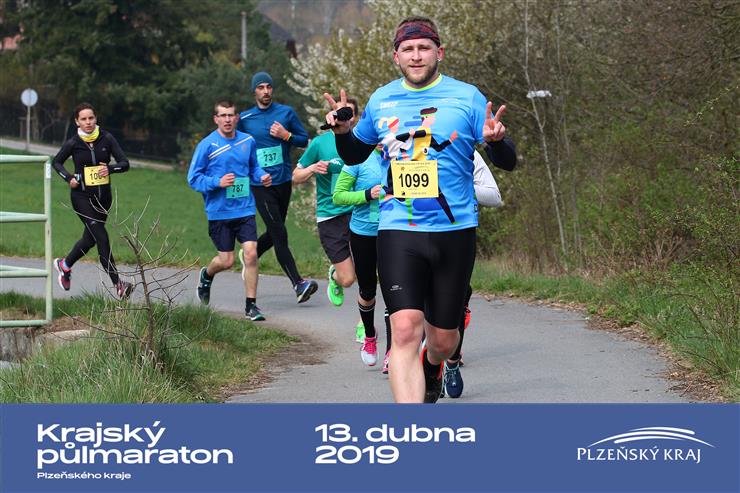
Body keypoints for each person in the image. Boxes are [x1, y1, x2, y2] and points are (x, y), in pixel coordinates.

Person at [324, 16, 516, 403]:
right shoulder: (381, 100)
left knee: (443, 340)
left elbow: (508, 162)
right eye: (408, 49)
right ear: (396, 56)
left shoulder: (466, 97)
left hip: (455, 232)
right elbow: (355, 154)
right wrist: (342, 133)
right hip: (399, 230)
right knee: (405, 329)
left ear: (439, 53)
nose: (416, 56)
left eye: (424, 48)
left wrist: (496, 143)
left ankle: (433, 365)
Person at [237, 72, 318, 304]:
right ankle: (298, 283)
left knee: (275, 231)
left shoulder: (286, 113)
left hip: (283, 182)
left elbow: (304, 140)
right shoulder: (245, 119)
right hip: (260, 184)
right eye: (260, 87)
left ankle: (250, 254)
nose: (265, 91)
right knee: (280, 233)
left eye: (268, 87)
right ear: (254, 91)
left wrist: (286, 135)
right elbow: (236, 146)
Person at [188, 99, 272, 321]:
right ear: (216, 119)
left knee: (251, 253)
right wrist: (217, 182)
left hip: (245, 209)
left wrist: (262, 176)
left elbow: (254, 168)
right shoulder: (207, 145)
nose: (227, 119)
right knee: (226, 261)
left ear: (237, 118)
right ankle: (207, 275)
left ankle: (251, 305)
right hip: (219, 212)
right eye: (223, 115)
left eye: (231, 115)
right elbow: (193, 179)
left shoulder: (247, 141)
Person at [52, 102, 134, 299]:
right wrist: (69, 178)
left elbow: (125, 164)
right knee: (101, 237)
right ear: (77, 122)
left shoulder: (107, 138)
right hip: (81, 197)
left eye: (91, 118)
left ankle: (65, 265)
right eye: (83, 119)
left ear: (96, 118)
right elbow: (56, 162)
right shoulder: (73, 143)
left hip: (103, 199)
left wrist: (110, 169)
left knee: (89, 239)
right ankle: (119, 284)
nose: (88, 122)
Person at [441, 150, 504, 399]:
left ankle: (452, 363)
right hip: (415, 236)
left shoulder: (466, 151)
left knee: (454, 305)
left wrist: (459, 186)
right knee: (420, 305)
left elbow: (494, 196)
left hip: (458, 236)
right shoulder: (407, 148)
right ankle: (430, 367)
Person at [293, 97, 359, 311]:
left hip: (359, 212)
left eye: (348, 113)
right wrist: (312, 168)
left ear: (355, 117)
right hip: (331, 216)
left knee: (368, 272)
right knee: (347, 279)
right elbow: (295, 176)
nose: (343, 117)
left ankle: (365, 324)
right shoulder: (319, 143)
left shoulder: (363, 142)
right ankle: (335, 275)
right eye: (338, 113)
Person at [332, 144, 384, 366]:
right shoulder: (357, 160)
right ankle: (369, 336)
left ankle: (394, 352)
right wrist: (367, 194)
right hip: (364, 234)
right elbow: (338, 196)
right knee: (368, 290)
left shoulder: (401, 156)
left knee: (395, 291)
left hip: (394, 232)